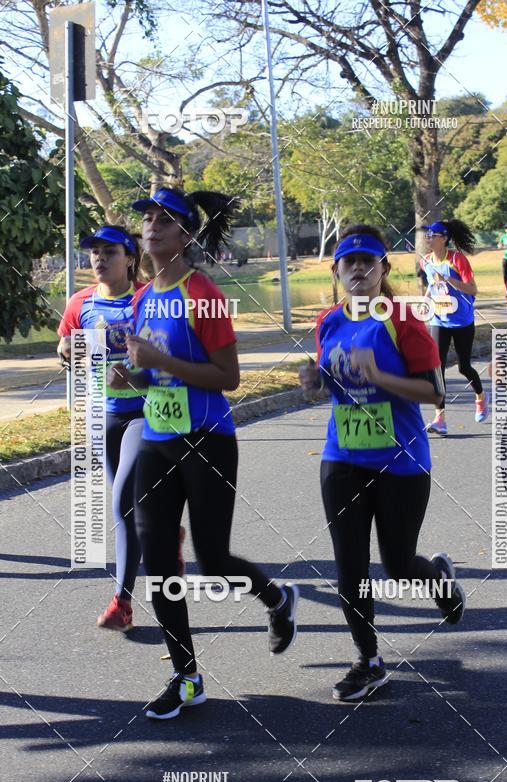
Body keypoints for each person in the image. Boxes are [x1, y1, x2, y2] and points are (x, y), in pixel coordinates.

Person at [108, 187, 299, 720]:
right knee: (157, 559)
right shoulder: (143, 298)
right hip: (157, 439)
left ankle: (277, 599)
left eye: (164, 218)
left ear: (186, 234)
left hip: (207, 439)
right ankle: (186, 676)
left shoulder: (203, 293)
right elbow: (155, 375)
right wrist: (134, 376)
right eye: (147, 216)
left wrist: (158, 360)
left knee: (212, 559)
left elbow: (228, 377)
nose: (151, 224)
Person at [300, 224, 466, 702]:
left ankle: (438, 579)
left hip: (401, 462)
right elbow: (333, 385)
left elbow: (435, 392)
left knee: (398, 565)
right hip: (342, 457)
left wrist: (378, 375)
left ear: (383, 269)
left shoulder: (402, 320)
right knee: (349, 565)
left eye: (366, 261)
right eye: (348, 262)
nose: (357, 269)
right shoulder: (329, 321)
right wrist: (314, 383)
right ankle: (368, 660)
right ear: (336, 270)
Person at [56, 225, 181, 633]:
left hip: (148, 413)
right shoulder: (80, 303)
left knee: (123, 503)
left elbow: (172, 357)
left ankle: (121, 602)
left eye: (109, 251)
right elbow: (66, 346)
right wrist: (66, 352)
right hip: (104, 416)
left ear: (129, 259)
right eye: (94, 251)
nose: (99, 258)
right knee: (133, 508)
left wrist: (139, 373)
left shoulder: (150, 300)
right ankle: (169, 537)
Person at [419, 220, 488, 435]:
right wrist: (425, 300)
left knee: (463, 367)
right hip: (439, 319)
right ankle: (440, 419)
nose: (428, 238)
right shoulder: (425, 260)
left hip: (462, 321)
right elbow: (432, 283)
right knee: (437, 367)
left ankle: (481, 397)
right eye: (427, 234)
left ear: (444, 238)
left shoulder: (457, 259)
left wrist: (449, 279)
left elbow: (473, 289)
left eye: (433, 235)